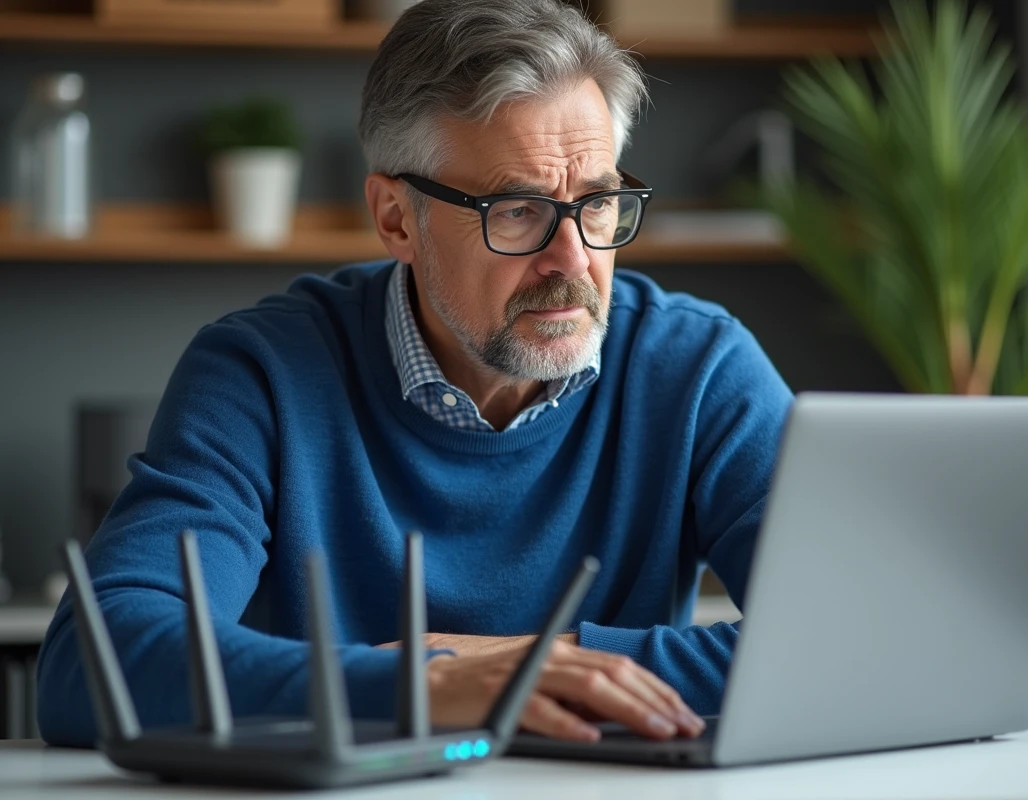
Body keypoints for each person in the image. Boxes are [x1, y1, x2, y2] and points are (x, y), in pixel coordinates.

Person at [36, 0, 793, 747]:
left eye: (597, 203)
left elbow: (869, 637)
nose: (574, 261)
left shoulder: (697, 368)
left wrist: (539, 665)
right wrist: (421, 686)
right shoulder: (261, 373)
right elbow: (91, 664)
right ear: (397, 218)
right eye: (519, 210)